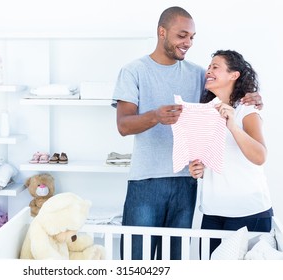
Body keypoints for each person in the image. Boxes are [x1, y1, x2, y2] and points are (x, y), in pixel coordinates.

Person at [112, 6, 263, 260]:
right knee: (136, 260)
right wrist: (156, 116)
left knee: (177, 262)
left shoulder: (198, 74)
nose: (188, 43)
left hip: (186, 181)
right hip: (146, 181)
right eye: (182, 36)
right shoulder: (133, 71)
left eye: (192, 37)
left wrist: (252, 96)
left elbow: (229, 88)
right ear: (162, 32)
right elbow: (123, 126)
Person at [189, 50, 273, 256]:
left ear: (234, 75)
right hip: (212, 213)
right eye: (209, 67)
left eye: (215, 67)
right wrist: (198, 169)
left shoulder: (247, 111)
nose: (208, 71)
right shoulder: (207, 112)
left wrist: (233, 126)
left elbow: (260, 156)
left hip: (248, 212)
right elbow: (216, 158)